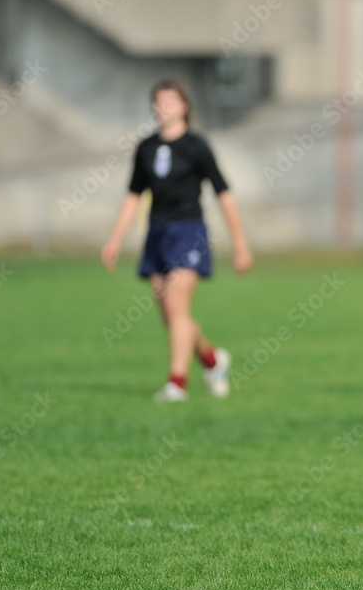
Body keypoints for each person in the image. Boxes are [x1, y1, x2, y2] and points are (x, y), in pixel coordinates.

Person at [101, 79, 253, 402]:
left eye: (170, 100)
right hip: (157, 233)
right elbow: (133, 196)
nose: (163, 106)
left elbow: (224, 195)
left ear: (184, 106)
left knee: (176, 306)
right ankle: (212, 360)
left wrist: (240, 244)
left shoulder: (197, 146)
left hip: (189, 233)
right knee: (171, 316)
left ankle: (177, 383)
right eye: (158, 101)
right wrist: (114, 239)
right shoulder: (146, 148)